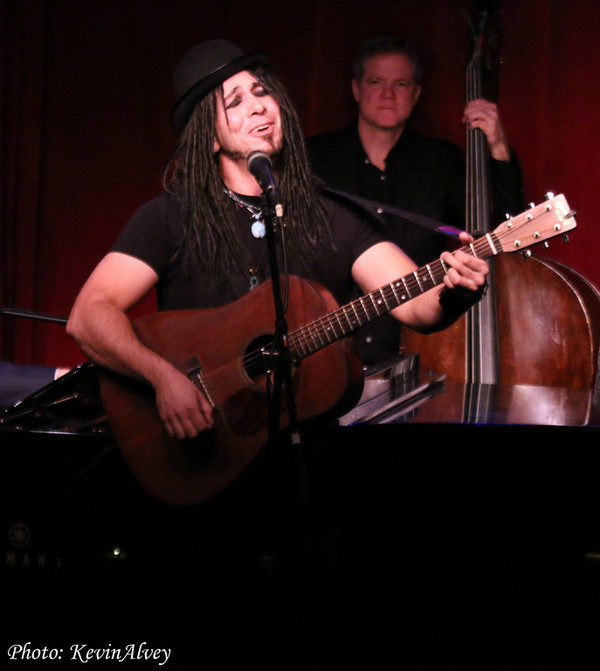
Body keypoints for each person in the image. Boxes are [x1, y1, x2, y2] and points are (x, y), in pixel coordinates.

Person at [65, 39, 489, 668]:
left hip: (306, 477)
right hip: (199, 465)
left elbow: (416, 305)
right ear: (209, 137)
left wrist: (455, 289)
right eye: (234, 102)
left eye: (262, 91)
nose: (258, 107)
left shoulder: (329, 215)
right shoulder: (172, 218)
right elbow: (88, 314)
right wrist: (162, 378)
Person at [306, 34, 524, 365]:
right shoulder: (314, 159)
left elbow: (504, 233)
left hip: (421, 354)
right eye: (376, 81)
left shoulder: (442, 162)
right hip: (328, 360)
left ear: (416, 94)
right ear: (356, 89)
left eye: (402, 84)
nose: (388, 94)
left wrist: (497, 148)